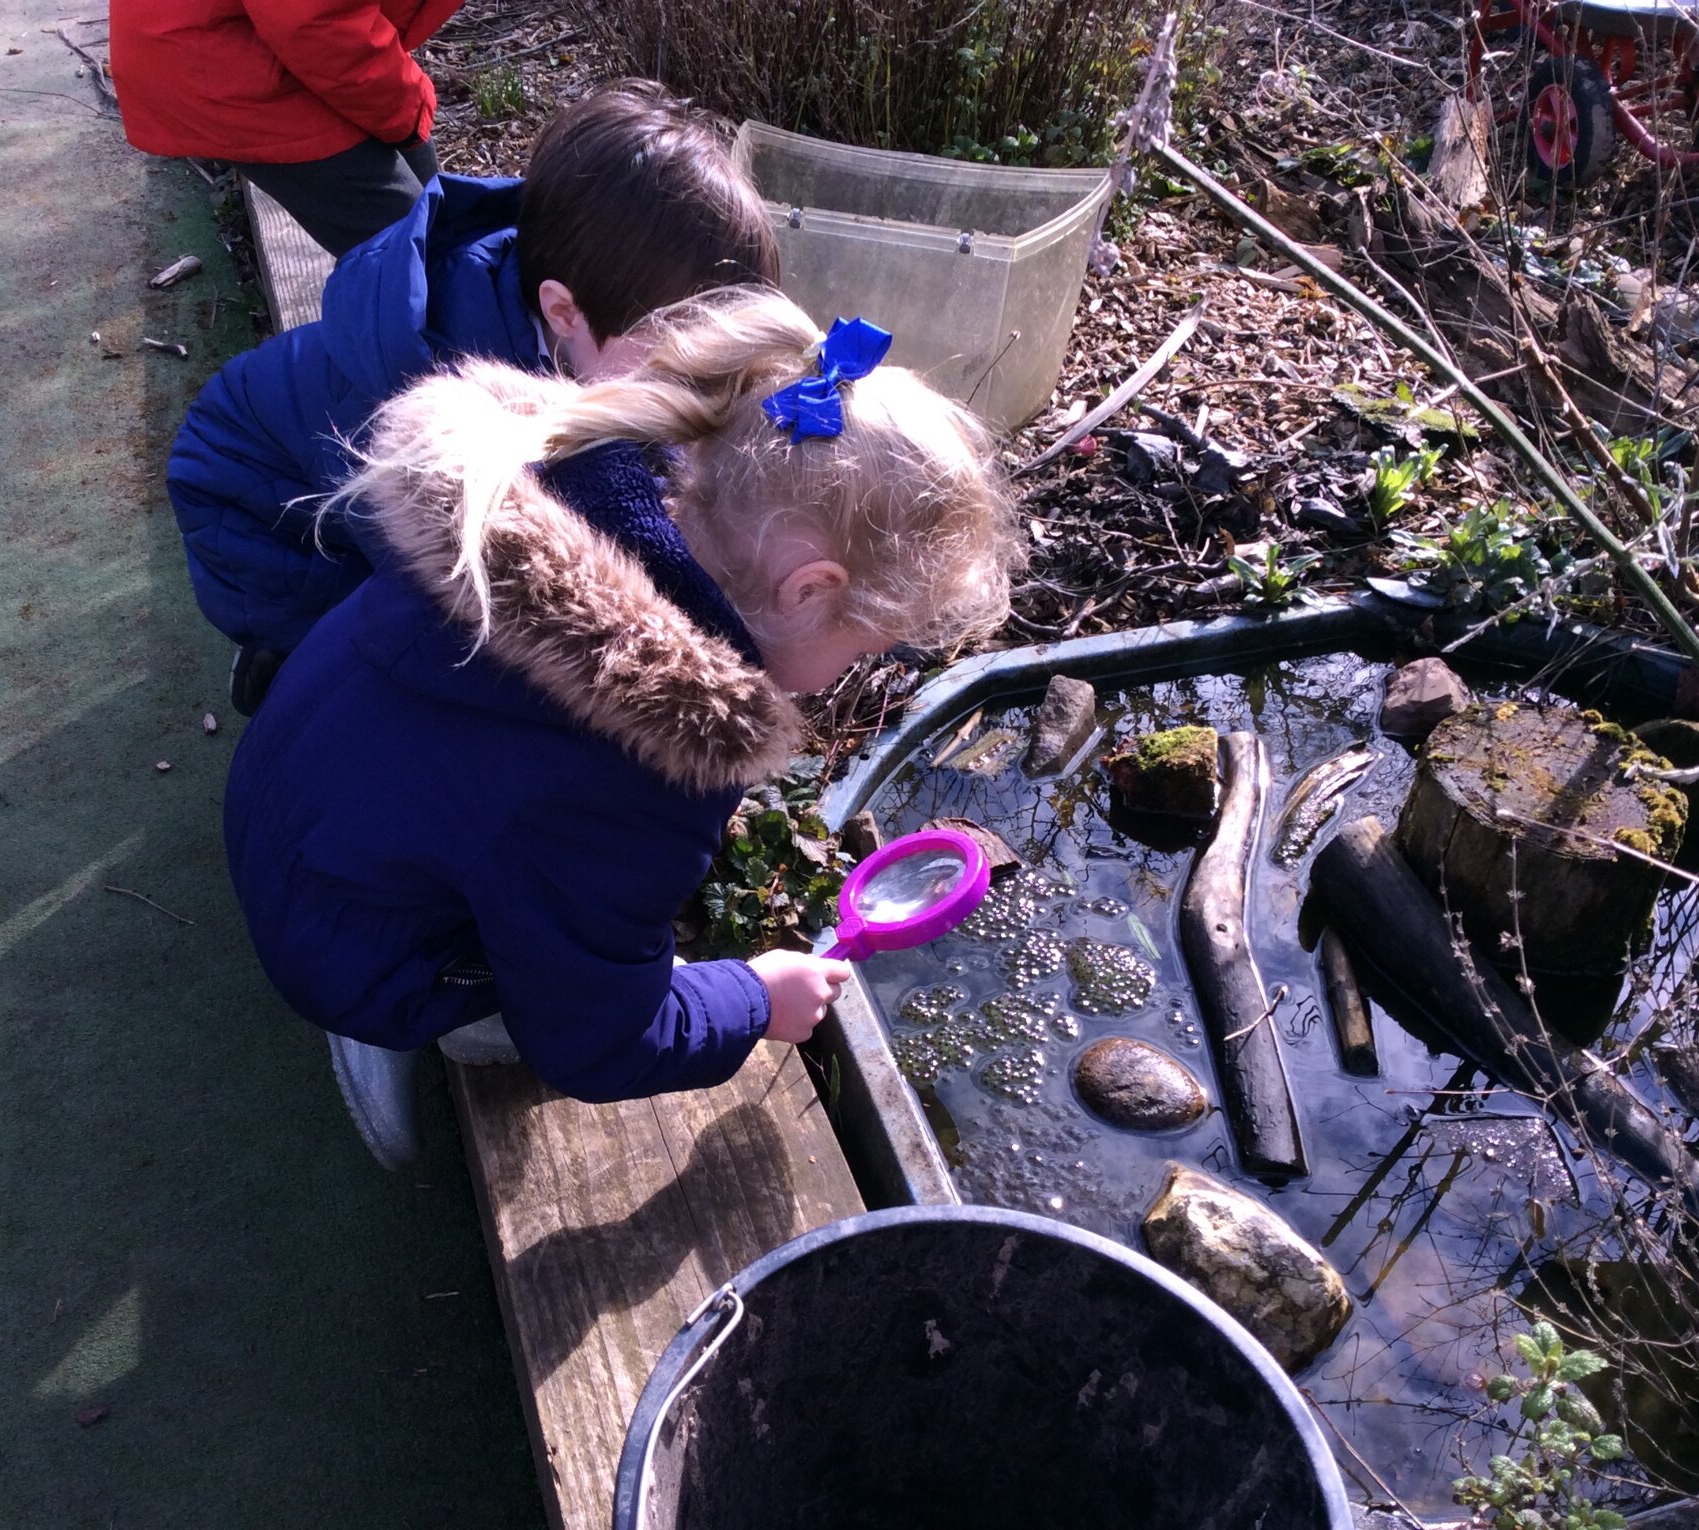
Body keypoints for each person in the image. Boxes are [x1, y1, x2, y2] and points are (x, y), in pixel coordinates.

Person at [223, 288, 1023, 1169]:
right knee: (547, 1000)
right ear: (807, 589)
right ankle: (397, 1025)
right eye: (866, 646)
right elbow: (598, 1045)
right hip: (343, 950)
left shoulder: (552, 490)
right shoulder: (640, 777)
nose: (851, 673)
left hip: (284, 810)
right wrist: (753, 997)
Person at [165, 81, 781, 713]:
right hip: (257, 509)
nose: (705, 376)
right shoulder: (434, 395)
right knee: (417, 655)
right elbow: (481, 582)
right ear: (563, 311)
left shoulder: (582, 302)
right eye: (680, 352)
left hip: (299, 463)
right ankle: (278, 668)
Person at [108, 0, 463, 258]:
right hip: (218, 60)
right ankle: (421, 347)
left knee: (418, 160)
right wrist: (402, 116)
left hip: (253, 35)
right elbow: (317, 23)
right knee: (410, 246)